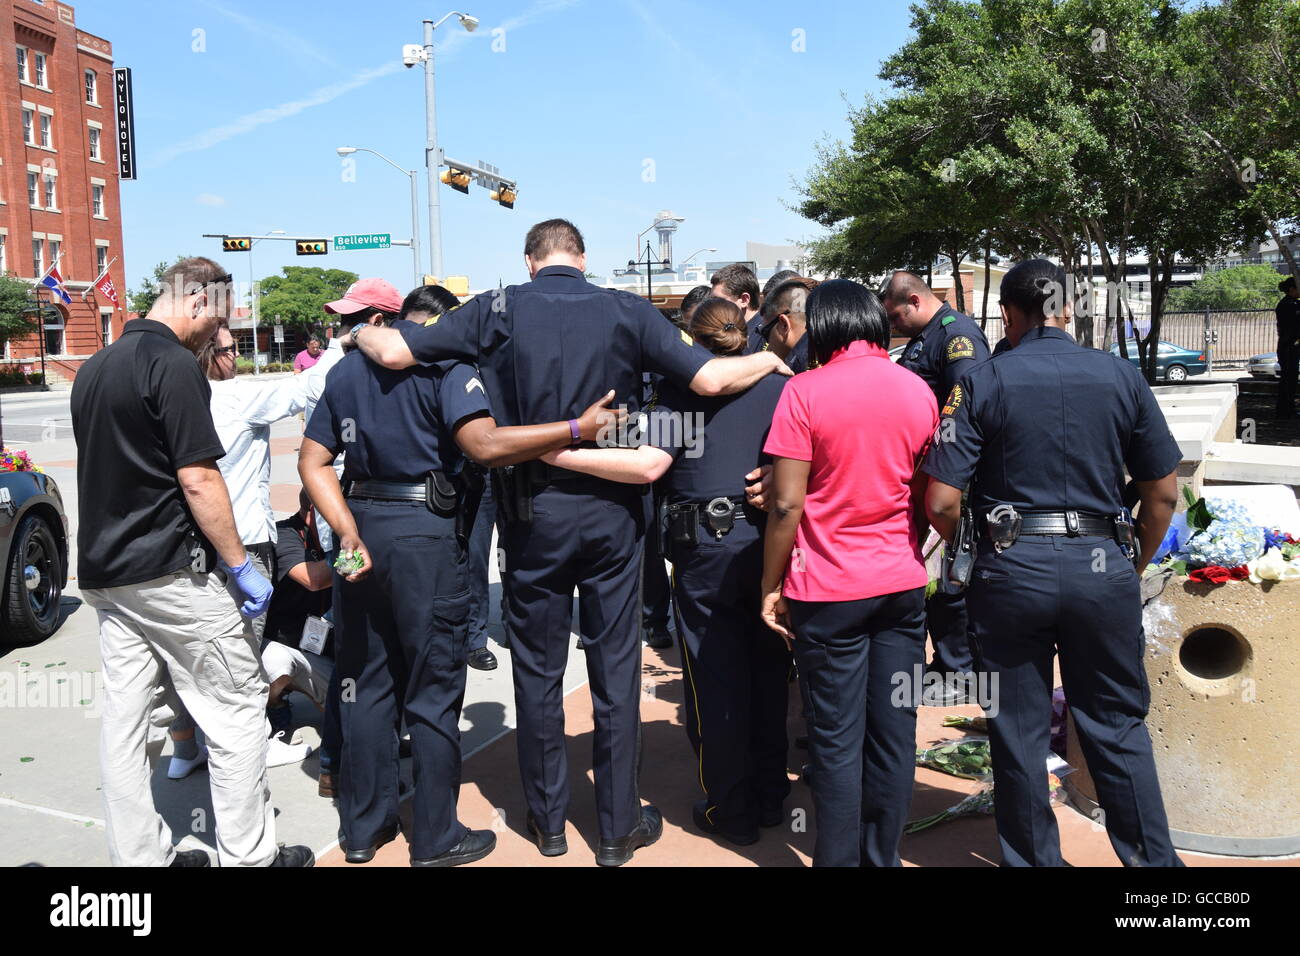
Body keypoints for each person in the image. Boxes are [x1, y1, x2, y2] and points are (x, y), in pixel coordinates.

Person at [349, 219, 790, 865]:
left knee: (538, 673)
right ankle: (616, 829)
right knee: (615, 672)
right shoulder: (625, 309)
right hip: (613, 517)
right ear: (581, 259)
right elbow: (709, 381)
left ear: (530, 262)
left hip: (531, 515)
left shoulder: (494, 309)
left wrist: (357, 327)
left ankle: (548, 822)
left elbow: (392, 352)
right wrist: (772, 358)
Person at [301, 283, 627, 867]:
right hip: (424, 534)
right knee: (432, 692)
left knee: (367, 685)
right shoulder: (448, 369)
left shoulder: (346, 374)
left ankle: (362, 830)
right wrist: (576, 429)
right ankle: (435, 836)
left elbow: (312, 460)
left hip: (361, 528)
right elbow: (485, 445)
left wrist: (346, 532)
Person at [922, 258, 1183, 867]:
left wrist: (986, 551)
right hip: (1104, 565)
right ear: (1068, 309)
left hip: (1013, 570)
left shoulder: (982, 381)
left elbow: (941, 502)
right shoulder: (1121, 376)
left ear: (1008, 314)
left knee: (1017, 729)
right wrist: (1130, 564)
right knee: (1116, 727)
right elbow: (1162, 493)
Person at [71, 256, 312, 868]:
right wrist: (239, 565)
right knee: (235, 712)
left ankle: (141, 862)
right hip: (173, 574)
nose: (215, 337)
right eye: (218, 322)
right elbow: (200, 478)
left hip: (108, 577)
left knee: (126, 728)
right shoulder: (173, 365)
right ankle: (250, 857)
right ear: (198, 302)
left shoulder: (93, 367)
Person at [543, 296, 792, 845]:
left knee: (715, 677)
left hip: (706, 547)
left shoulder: (678, 393)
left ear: (690, 343)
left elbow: (647, 463)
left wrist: (553, 450)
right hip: (771, 543)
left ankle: (731, 809)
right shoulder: (784, 385)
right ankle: (772, 794)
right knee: (771, 671)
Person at [760, 279, 938, 867]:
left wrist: (771, 585)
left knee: (836, 741)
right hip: (901, 585)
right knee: (893, 735)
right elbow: (926, 495)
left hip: (828, 589)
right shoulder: (917, 390)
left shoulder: (804, 393)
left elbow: (785, 505)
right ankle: (879, 858)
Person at [164, 319, 346, 779]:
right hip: (241, 542)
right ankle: (255, 744)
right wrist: (341, 343)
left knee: (186, 656)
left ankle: (185, 748)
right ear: (211, 356)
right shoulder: (233, 396)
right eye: (229, 350)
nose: (236, 358)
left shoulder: (168, 401)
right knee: (242, 655)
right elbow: (308, 388)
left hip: (183, 544)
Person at [881, 270, 991, 703]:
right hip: (930, 475)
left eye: (894, 316)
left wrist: (949, 477)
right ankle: (947, 663)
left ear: (913, 300)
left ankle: (960, 671)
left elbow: (969, 401)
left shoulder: (956, 336)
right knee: (936, 579)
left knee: (951, 579)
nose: (891, 324)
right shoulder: (924, 338)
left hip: (953, 478)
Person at [261, 491, 336, 783]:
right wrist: (357, 555)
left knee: (348, 703)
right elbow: (314, 579)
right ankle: (274, 704)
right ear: (312, 513)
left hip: (316, 648)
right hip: (274, 645)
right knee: (278, 661)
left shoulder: (341, 541)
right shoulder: (284, 535)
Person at [751, 277, 816, 373]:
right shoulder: (832, 350)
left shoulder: (797, 370)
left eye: (765, 333)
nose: (767, 346)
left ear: (784, 324)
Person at [1276, 275, 1299, 419]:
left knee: (1291, 379)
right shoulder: (1288, 304)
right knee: (1288, 380)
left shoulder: (1293, 303)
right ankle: (1285, 410)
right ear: (1291, 289)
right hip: (1288, 346)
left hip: (1291, 347)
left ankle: (1287, 409)